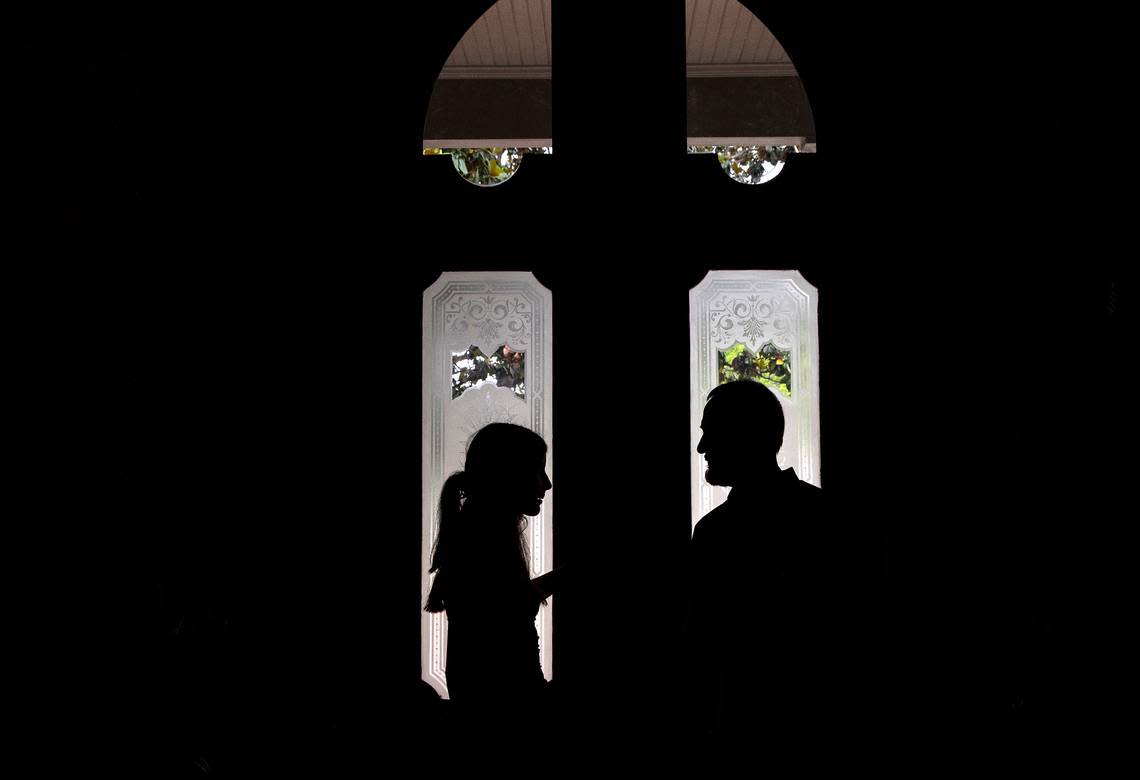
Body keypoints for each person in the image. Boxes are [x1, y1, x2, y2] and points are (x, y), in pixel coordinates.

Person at [687, 380, 863, 766]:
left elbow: (704, 644)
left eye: (710, 434)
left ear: (743, 437)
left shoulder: (716, 532)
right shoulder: (828, 517)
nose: (701, 448)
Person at [424, 422, 566, 722]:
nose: (547, 483)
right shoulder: (485, 540)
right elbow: (509, 614)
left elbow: (508, 603)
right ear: (508, 475)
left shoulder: (475, 533)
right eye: (537, 471)